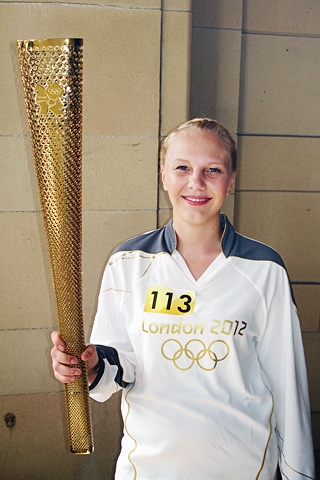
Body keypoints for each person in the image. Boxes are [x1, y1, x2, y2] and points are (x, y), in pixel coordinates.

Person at [51, 118, 315, 479]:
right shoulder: (128, 263)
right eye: (182, 168)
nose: (196, 182)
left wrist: (300, 473)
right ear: (163, 175)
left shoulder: (264, 270)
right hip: (148, 470)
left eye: (213, 169)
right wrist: (88, 365)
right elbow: (117, 367)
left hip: (243, 469)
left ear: (231, 180)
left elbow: (289, 388)